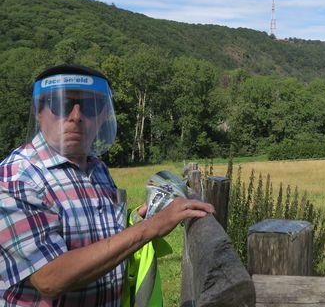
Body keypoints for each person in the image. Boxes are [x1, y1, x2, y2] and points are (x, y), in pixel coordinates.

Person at [0, 64, 213, 306]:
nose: (76, 116)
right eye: (62, 105)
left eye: (90, 107)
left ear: (103, 115)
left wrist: (137, 219)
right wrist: (150, 228)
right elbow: (49, 277)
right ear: (40, 112)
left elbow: (99, 239)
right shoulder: (16, 177)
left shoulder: (96, 168)